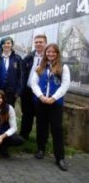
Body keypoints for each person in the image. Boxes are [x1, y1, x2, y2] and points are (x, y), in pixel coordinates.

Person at [31, 43, 70, 171]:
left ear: (57, 53)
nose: (50, 54)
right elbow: (33, 83)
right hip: (41, 101)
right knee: (41, 126)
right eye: (48, 52)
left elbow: (65, 86)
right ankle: (40, 149)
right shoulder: (40, 66)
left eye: (53, 52)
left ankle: (60, 158)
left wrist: (53, 98)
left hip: (55, 103)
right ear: (45, 53)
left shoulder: (63, 68)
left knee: (57, 129)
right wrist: (41, 96)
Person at [20, 34, 47, 140]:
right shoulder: (28, 57)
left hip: (42, 92)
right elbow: (22, 74)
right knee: (27, 114)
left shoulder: (48, 57)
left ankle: (41, 141)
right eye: (36, 42)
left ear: (45, 43)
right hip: (27, 91)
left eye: (41, 42)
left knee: (41, 116)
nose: (38, 44)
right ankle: (23, 136)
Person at [0, 37, 22, 107]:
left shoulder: (17, 59)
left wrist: (18, 92)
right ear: (1, 45)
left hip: (11, 93)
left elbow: (21, 76)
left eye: (8, 43)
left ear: (11, 45)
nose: (6, 45)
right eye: (4, 43)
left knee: (9, 110)